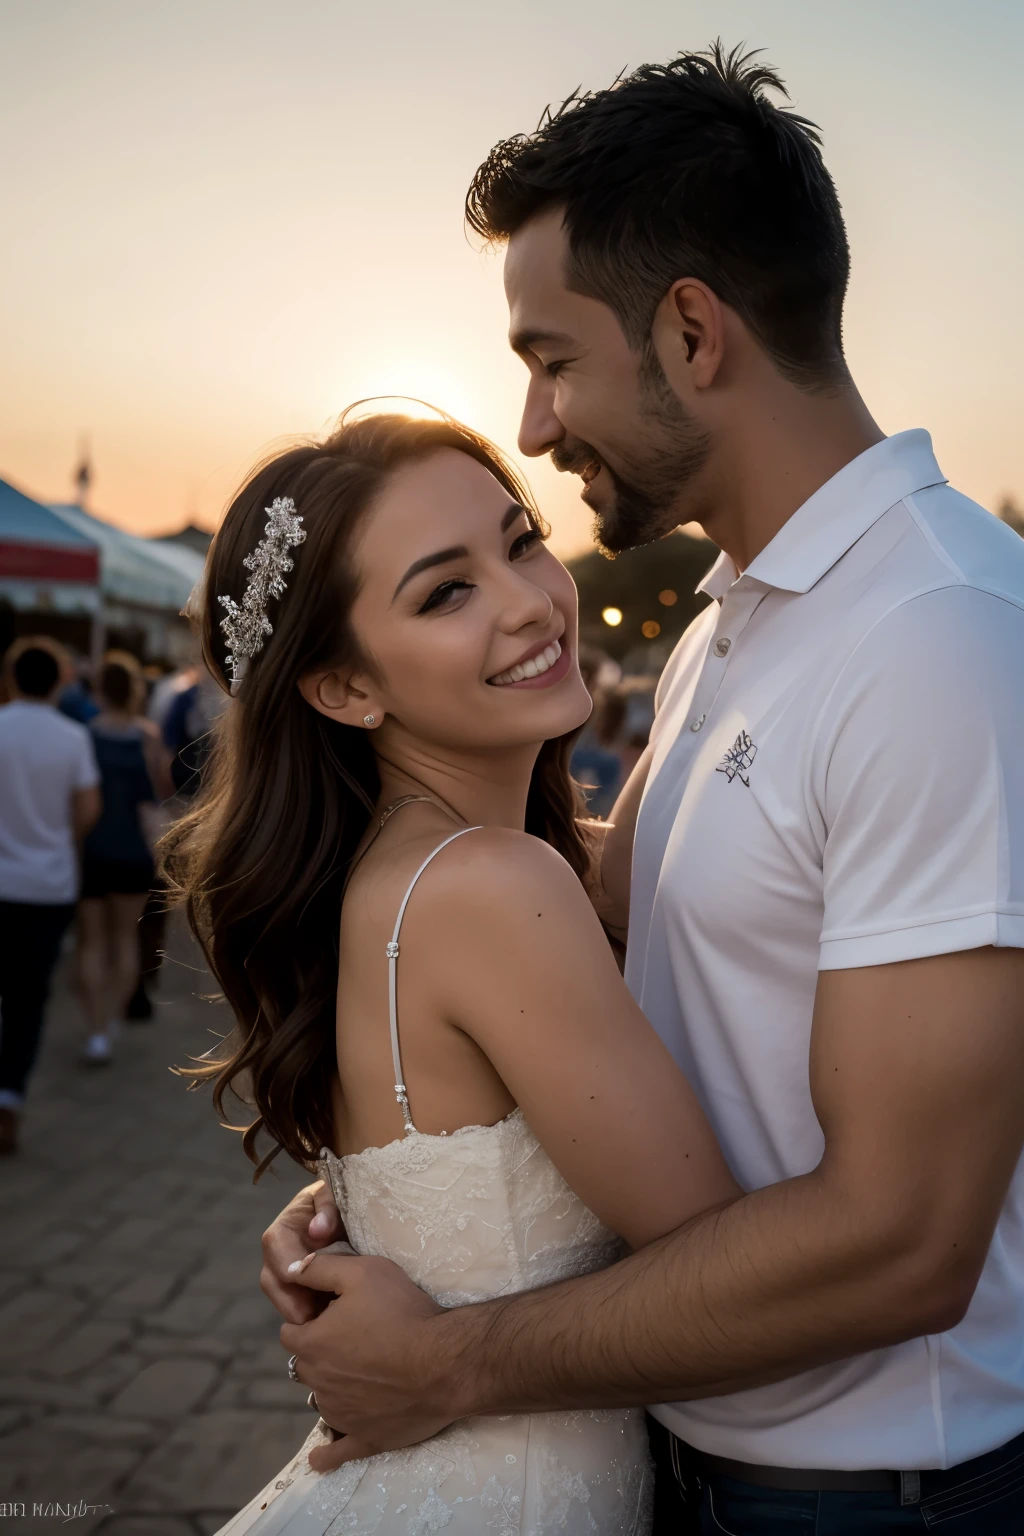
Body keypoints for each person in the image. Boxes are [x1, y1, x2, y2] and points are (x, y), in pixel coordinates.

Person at [259, 44, 1024, 1535]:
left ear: (690, 335)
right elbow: (677, 918)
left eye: (550, 360)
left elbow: (904, 1244)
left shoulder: (937, 639)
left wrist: (454, 1359)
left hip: (878, 1493)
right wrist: (421, 1202)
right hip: (694, 1446)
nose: (535, 428)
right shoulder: (739, 623)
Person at [161, 410, 741, 1535]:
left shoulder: (409, 863)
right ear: (342, 689)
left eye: (520, 541)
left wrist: (342, 1213)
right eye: (444, 592)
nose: (531, 599)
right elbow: (717, 1263)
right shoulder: (489, 883)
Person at [0, 639, 100, 1153]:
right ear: (58, 682)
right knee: (27, 997)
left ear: (12, 678)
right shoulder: (72, 737)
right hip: (47, 884)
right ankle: (9, 1096)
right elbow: (87, 809)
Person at [75, 651, 173, 1065]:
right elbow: (161, 795)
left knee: (93, 943)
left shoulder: (84, 734)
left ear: (100, 690)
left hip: (92, 850)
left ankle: (96, 1031)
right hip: (135, 853)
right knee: (126, 941)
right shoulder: (148, 737)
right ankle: (112, 1021)